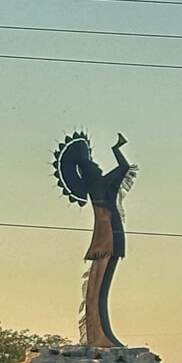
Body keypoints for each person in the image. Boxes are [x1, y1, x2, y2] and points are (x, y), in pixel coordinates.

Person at [52, 132, 136, 347]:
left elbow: (122, 171)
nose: (98, 167)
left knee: (99, 286)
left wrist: (117, 150)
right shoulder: (98, 186)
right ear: (89, 173)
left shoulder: (101, 185)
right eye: (93, 165)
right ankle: (98, 336)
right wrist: (116, 150)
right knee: (98, 287)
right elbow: (123, 169)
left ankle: (99, 334)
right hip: (106, 238)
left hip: (109, 235)